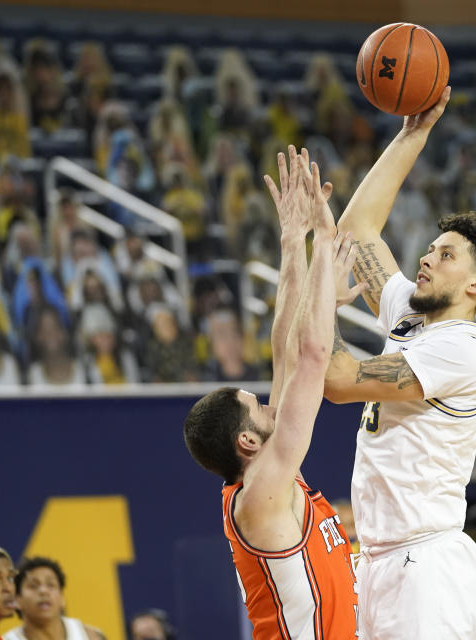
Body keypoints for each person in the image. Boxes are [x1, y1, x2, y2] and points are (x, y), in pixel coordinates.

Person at [323, 87, 476, 639]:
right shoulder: (412, 317)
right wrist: (412, 134)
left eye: (447, 254)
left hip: (426, 562)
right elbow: (358, 232)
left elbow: (338, 381)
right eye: (431, 248)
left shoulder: (461, 348)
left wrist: (320, 297)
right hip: (381, 557)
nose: (428, 256)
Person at [182, 148, 359, 638]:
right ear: (248, 442)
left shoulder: (270, 475)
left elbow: (284, 349)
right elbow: (312, 356)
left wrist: (291, 242)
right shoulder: (263, 490)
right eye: (257, 407)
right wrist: (323, 242)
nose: (268, 404)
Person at [2, 557, 102, 640]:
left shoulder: (92, 636)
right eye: (33, 585)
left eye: (51, 585)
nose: (43, 591)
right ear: (17, 600)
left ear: (62, 598)